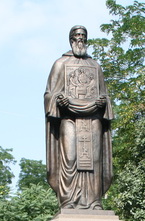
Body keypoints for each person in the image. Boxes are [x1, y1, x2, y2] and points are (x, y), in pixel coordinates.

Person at [44, 25, 114, 210]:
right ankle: (68, 200)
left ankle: (94, 201)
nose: (80, 39)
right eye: (76, 35)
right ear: (71, 39)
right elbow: (49, 94)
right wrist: (59, 99)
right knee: (71, 157)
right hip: (69, 118)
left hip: (93, 119)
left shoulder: (95, 66)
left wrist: (102, 102)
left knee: (95, 159)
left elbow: (105, 95)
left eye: (83, 36)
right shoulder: (60, 64)